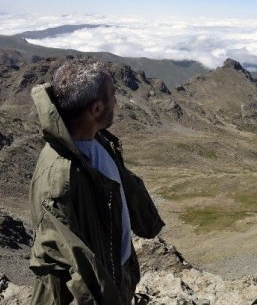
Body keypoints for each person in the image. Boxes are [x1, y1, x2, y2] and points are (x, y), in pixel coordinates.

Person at [29, 58, 165, 304]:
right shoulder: (59, 179)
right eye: (113, 95)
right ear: (96, 109)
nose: (117, 101)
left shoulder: (98, 140)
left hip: (116, 275)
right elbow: (77, 268)